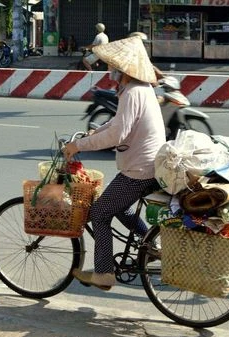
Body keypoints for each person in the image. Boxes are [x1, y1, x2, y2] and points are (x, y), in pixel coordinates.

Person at [63, 36, 166, 290]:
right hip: (148, 166)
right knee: (120, 206)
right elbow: (117, 124)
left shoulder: (132, 92)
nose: (111, 72)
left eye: (114, 67)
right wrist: (94, 133)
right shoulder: (141, 89)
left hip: (140, 170)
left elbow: (118, 135)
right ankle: (150, 245)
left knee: (98, 213)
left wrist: (78, 146)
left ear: (125, 70)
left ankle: (104, 274)